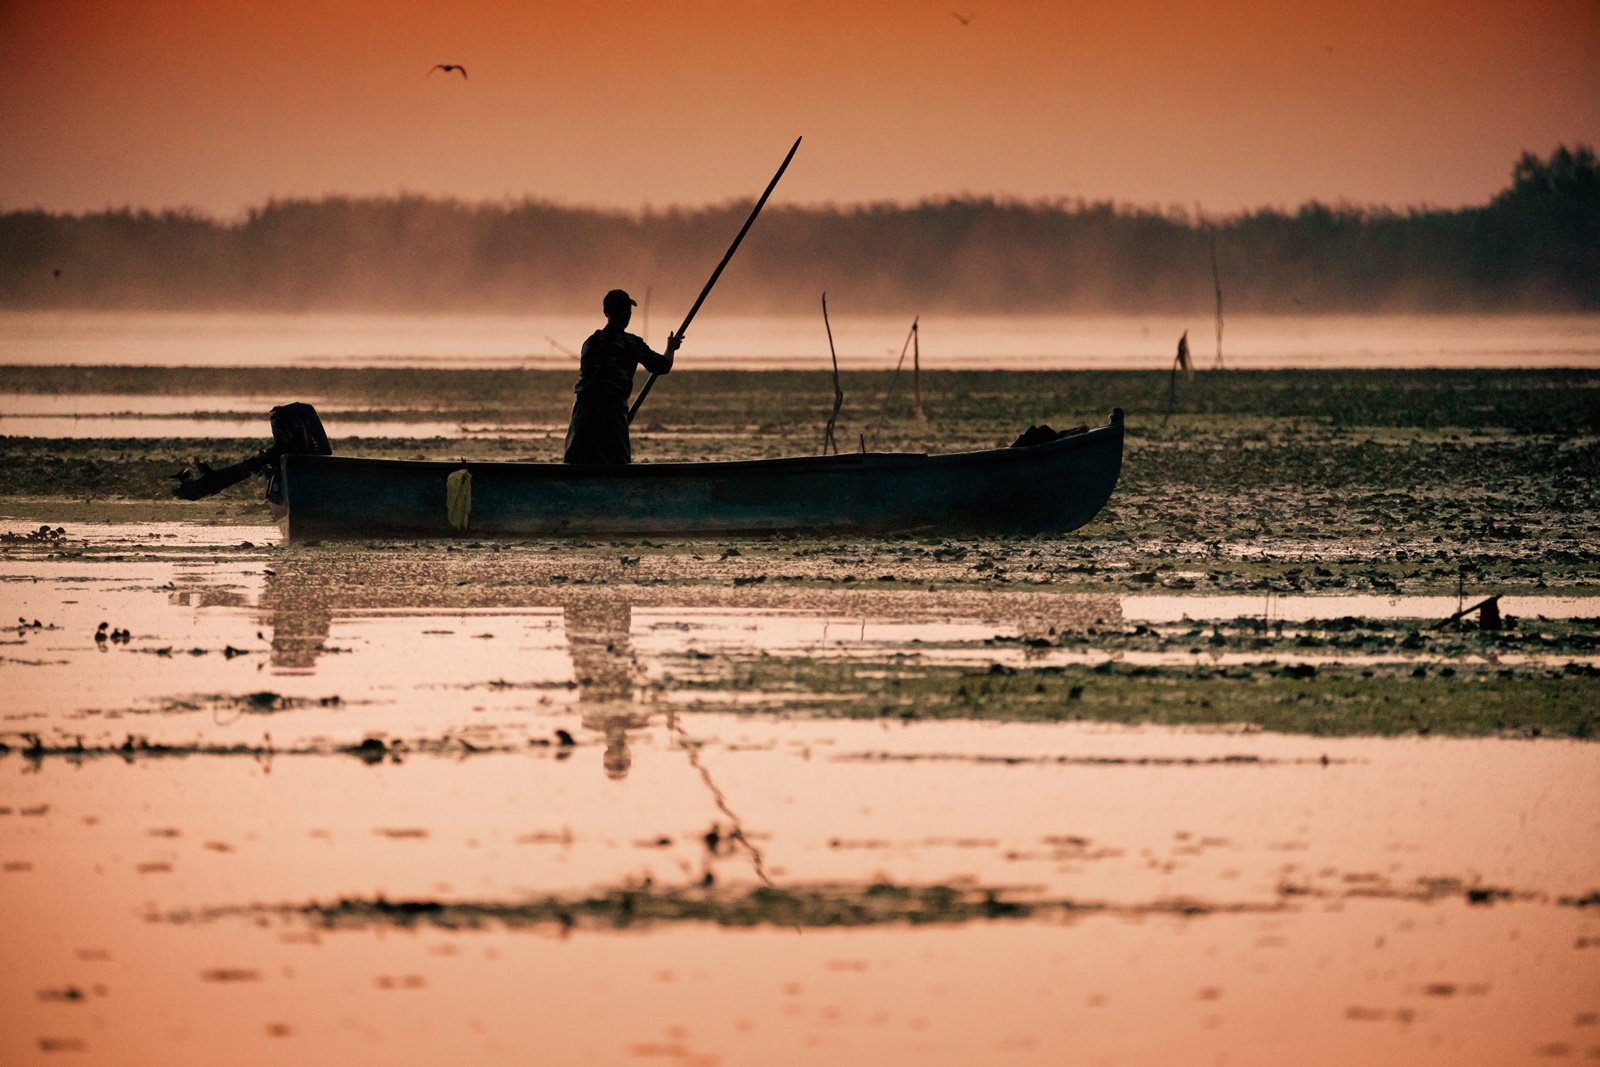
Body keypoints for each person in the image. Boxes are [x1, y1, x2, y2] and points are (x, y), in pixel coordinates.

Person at [563, 288, 681, 465]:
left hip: (583, 411)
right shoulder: (631, 343)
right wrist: (671, 348)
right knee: (617, 464)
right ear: (626, 314)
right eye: (627, 311)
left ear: (606, 312)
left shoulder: (590, 342)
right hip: (611, 412)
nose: (628, 315)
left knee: (577, 464)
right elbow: (662, 366)